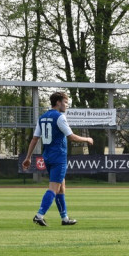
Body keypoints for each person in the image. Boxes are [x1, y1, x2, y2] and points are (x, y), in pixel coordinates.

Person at [21, 91, 95, 226]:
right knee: (54, 188)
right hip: (58, 157)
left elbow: (35, 139)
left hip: (48, 156)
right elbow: (71, 136)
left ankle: (65, 218)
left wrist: (28, 157)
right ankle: (39, 215)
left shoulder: (42, 117)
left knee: (61, 187)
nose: (67, 105)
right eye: (65, 102)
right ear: (58, 102)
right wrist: (87, 139)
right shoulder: (60, 117)